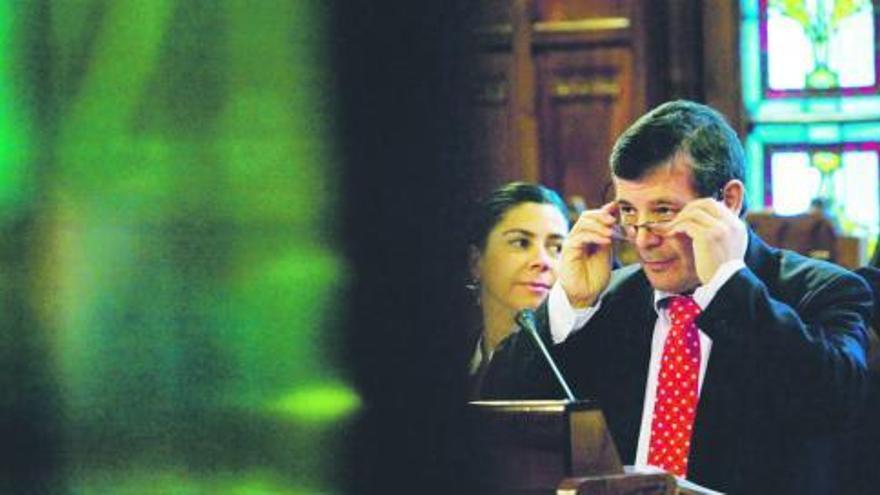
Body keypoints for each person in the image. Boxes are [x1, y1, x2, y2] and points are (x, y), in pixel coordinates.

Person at [482, 100, 873, 494]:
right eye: (629, 213)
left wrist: (725, 286)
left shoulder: (822, 291)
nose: (643, 238)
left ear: (729, 202)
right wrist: (571, 303)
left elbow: (834, 405)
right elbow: (499, 405)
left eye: (664, 211)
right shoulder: (609, 298)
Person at [465, 181, 570, 398]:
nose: (543, 261)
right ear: (476, 262)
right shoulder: (439, 368)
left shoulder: (574, 369)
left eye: (557, 248)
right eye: (521, 243)